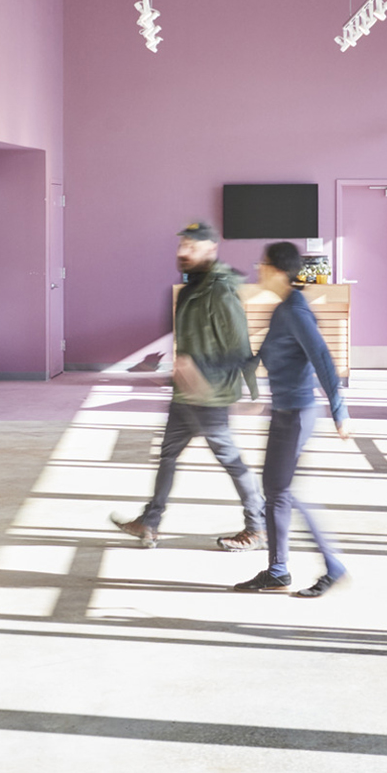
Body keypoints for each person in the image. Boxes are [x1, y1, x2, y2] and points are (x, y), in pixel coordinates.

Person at [110, 220, 266, 549]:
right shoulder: (192, 287)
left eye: (191, 246)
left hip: (210, 396)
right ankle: (150, 521)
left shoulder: (220, 290)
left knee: (231, 460)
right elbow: (194, 344)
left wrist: (242, 389)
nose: (183, 252)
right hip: (186, 393)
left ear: (211, 249)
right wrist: (175, 369)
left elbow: (239, 350)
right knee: (168, 455)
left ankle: (257, 527)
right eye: (181, 245)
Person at [231, 240, 352, 598]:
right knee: (278, 492)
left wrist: (339, 411)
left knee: (281, 492)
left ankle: (330, 565)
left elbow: (322, 358)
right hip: (285, 411)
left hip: (296, 414)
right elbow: (259, 359)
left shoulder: (294, 311)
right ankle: (279, 570)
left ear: (277, 270)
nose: (258, 269)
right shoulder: (284, 308)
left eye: (262, 264)